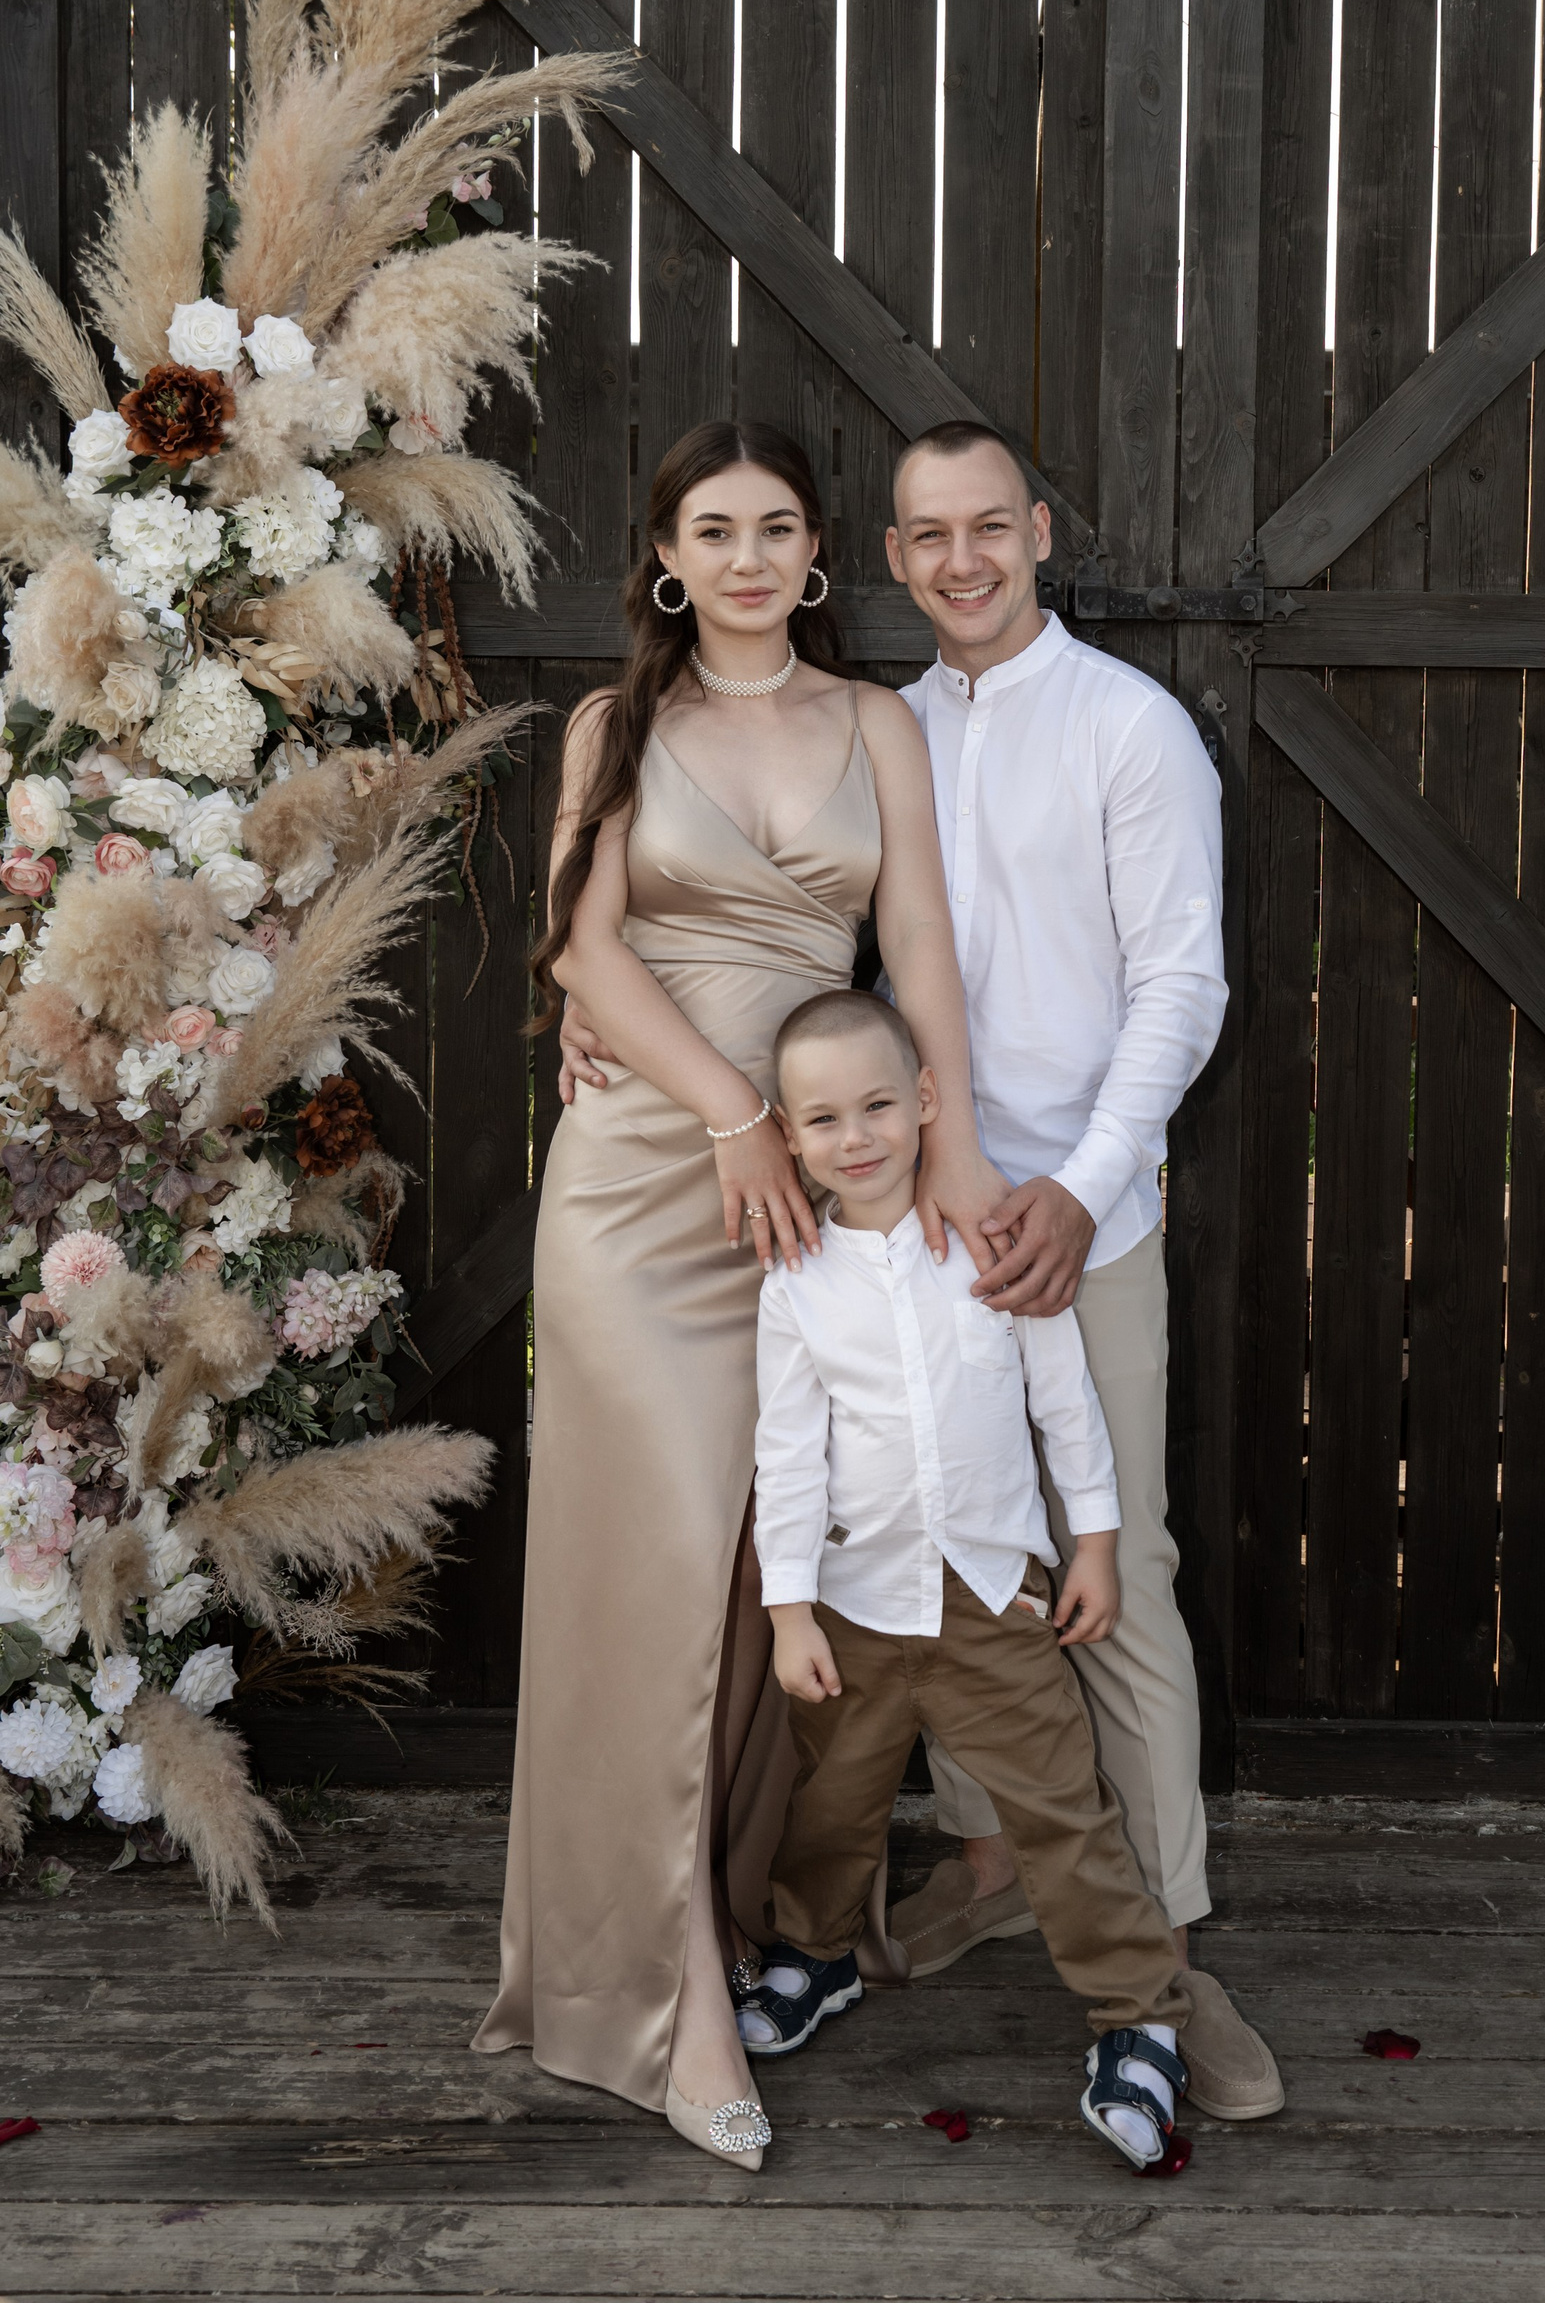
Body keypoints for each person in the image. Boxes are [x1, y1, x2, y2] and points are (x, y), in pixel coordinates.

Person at [560, 414, 1281, 2122]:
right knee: (923, 1541)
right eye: (929, 535)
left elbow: (1184, 990)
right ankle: (988, 1867)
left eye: (990, 527)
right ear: (886, 557)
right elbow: (808, 951)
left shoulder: (1128, 727)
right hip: (880, 1206)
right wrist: (594, 1014)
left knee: (1113, 1567)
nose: (962, 560)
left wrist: (1076, 1192)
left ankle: (1170, 1952)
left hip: (1057, 1211)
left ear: (1041, 531)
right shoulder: (883, 720)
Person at [472, 420, 1002, 2170]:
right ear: (667, 560)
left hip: (818, 1190)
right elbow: (582, 944)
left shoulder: (876, 724)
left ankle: (748, 1906)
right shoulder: (614, 727)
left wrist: (945, 1147)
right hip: (649, 1183)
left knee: (787, 1559)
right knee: (654, 1569)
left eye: (778, 527)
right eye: (715, 530)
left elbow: (916, 947)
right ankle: (662, 1996)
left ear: (818, 553)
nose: (750, 557)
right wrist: (728, 1110)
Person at [736, 987, 1193, 2172]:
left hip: (994, 1600)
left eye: (879, 1105)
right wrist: (790, 1611)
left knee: (1064, 1813)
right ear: (788, 1136)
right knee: (831, 1805)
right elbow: (788, 1458)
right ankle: (816, 1955)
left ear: (927, 1099)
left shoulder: (987, 1246)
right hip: (856, 1606)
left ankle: (1139, 2015)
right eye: (823, 1119)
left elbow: (1063, 1404)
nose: (857, 1137)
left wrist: (1095, 1545)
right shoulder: (798, 1285)